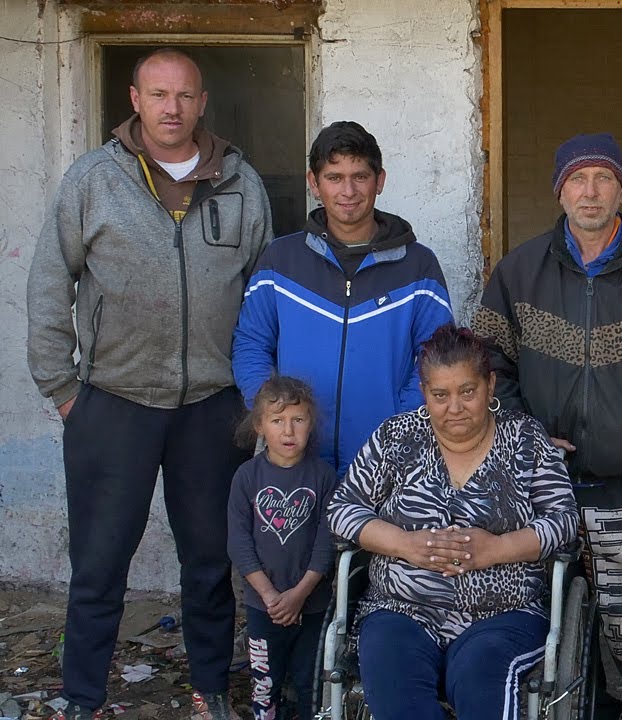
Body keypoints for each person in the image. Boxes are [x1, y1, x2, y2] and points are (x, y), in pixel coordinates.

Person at [25, 47, 273, 720]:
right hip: (113, 401)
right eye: (158, 94)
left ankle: (210, 691)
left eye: (185, 95)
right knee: (99, 565)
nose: (172, 108)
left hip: (212, 406)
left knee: (209, 562)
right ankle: (83, 698)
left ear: (202, 102)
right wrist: (64, 388)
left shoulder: (241, 184)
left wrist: (252, 394)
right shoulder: (93, 180)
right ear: (134, 99)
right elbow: (51, 283)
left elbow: (261, 297)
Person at [474, 132, 622, 720]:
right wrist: (524, 435)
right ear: (559, 191)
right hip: (540, 487)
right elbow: (487, 367)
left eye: (603, 178)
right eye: (577, 179)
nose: (590, 191)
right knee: (555, 627)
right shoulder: (519, 271)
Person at [327, 325, 580, 720]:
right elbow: (342, 509)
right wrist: (403, 543)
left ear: (490, 385)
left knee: (481, 681)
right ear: (425, 392)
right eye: (440, 395)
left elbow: (564, 521)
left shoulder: (526, 440)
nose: (455, 407)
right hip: (400, 607)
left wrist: (497, 548)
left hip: (503, 613)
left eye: (468, 391)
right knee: (397, 694)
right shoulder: (396, 437)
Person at [233, 120, 454, 475]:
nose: (348, 190)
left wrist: (402, 428)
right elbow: (250, 343)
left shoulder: (418, 266)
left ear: (379, 180)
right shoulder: (281, 260)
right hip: (294, 462)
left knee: (380, 534)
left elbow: (438, 359)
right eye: (334, 177)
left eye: (360, 176)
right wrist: (275, 415)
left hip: (387, 462)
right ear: (314, 183)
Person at [227, 377, 336, 720]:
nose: (288, 431)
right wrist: (272, 597)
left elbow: (325, 544)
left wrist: (299, 595)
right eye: (277, 420)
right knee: (265, 686)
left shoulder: (323, 477)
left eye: (298, 420)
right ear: (260, 426)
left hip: (312, 605)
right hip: (264, 608)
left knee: (310, 685)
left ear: (310, 423)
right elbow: (239, 543)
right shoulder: (246, 477)